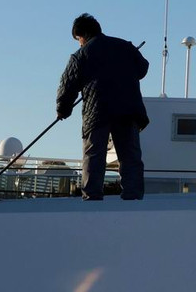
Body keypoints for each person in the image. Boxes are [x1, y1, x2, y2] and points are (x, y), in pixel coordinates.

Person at [56, 13, 150, 200]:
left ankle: (92, 197)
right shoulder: (125, 47)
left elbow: (67, 86)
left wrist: (63, 109)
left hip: (97, 112)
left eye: (78, 39)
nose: (79, 43)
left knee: (94, 156)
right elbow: (143, 68)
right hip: (128, 110)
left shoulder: (81, 55)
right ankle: (133, 196)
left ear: (82, 35)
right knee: (129, 156)